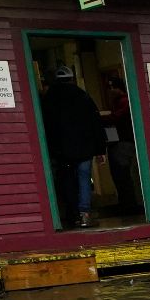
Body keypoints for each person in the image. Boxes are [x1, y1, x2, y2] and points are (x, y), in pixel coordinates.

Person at [39, 64, 108, 229]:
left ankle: (71, 215)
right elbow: (95, 123)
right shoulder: (82, 96)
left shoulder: (49, 98)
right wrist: (100, 149)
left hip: (61, 150)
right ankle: (85, 215)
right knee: (84, 179)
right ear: (71, 79)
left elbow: (46, 125)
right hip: (84, 149)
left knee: (67, 180)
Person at [101, 72, 142, 215]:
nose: (109, 91)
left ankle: (129, 205)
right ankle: (127, 203)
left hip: (123, 143)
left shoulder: (124, 101)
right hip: (121, 142)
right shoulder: (119, 102)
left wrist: (101, 118)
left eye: (111, 88)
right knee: (121, 175)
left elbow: (116, 118)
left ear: (118, 88)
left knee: (122, 174)